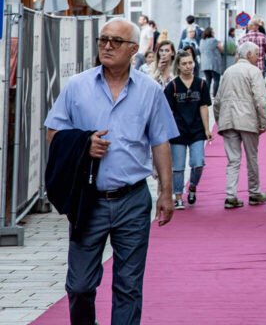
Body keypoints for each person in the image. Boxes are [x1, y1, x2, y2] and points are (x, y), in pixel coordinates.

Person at [44, 17, 178, 325]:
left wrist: (167, 193)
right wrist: (83, 144)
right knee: (79, 285)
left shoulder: (150, 91)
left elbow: (161, 143)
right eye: (103, 39)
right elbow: (53, 133)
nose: (106, 46)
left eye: (115, 41)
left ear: (133, 49)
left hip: (132, 198)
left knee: (128, 286)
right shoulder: (78, 86)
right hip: (88, 200)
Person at [215, 42, 266, 209]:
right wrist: (263, 121)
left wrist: (219, 120)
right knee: (251, 157)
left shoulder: (227, 72)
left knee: (233, 160)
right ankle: (254, 192)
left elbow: (217, 100)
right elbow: (260, 100)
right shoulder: (254, 72)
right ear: (249, 55)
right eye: (255, 54)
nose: (257, 57)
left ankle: (230, 194)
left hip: (228, 119)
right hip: (247, 119)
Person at [164, 49, 212, 209]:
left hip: (197, 130)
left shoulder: (201, 84)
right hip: (178, 131)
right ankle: (178, 196)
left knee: (198, 163)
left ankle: (192, 186)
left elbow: (204, 107)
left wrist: (207, 129)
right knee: (178, 167)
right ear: (178, 65)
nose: (188, 66)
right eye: (184, 63)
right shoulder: (172, 87)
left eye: (190, 62)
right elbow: (167, 112)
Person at [198, 27, 223, 97]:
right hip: (213, 63)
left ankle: (206, 95)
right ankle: (215, 96)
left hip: (204, 63)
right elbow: (221, 49)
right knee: (216, 79)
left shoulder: (201, 41)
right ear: (211, 33)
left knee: (208, 80)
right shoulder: (214, 40)